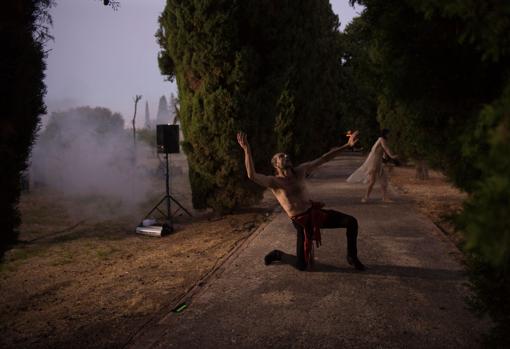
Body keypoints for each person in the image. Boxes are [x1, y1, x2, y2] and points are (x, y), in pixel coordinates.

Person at [236, 131, 365, 271]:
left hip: (315, 214)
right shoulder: (274, 182)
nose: (286, 156)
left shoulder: (300, 170)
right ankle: (278, 254)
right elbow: (252, 175)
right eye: (281, 156)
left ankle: (352, 256)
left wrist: (347, 145)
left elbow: (324, 158)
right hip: (301, 222)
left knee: (351, 222)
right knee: (301, 265)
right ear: (275, 165)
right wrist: (247, 149)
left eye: (286, 155)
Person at [346, 128, 398, 203]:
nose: (390, 135)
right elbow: (385, 148)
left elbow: (382, 150)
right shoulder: (381, 139)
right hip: (374, 162)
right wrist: (392, 156)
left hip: (378, 162)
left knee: (384, 179)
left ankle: (384, 198)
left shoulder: (383, 140)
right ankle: (365, 197)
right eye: (389, 133)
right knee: (372, 181)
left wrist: (385, 157)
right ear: (385, 134)